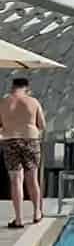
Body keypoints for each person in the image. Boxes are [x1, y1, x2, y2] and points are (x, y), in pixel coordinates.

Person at [0, 74, 45, 228]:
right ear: (27, 89)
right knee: (32, 178)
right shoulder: (33, 102)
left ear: (12, 87)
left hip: (9, 140)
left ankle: (18, 219)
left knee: (15, 180)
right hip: (30, 140)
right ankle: (37, 213)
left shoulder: (4, 102)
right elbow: (42, 125)